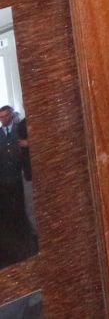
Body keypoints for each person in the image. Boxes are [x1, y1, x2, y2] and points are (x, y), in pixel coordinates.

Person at [0, 105, 32, 268]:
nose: (3, 119)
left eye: (6, 116)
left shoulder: (19, 129)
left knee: (21, 205)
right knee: (8, 208)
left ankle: (24, 235)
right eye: (1, 117)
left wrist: (26, 144)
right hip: (4, 178)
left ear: (11, 115)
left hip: (19, 175)